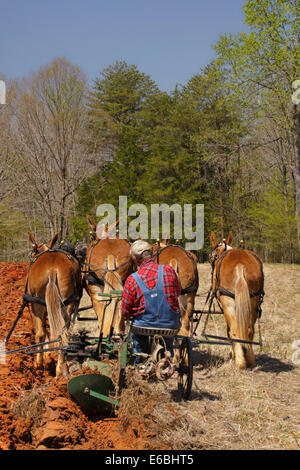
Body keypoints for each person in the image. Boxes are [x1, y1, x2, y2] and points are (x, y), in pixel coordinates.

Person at [121, 240, 181, 366]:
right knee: (168, 331)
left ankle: (141, 362)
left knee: (137, 337)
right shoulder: (169, 271)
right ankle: (167, 355)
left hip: (143, 326)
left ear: (135, 259)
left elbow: (126, 311)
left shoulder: (132, 279)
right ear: (152, 253)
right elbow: (177, 293)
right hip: (170, 325)